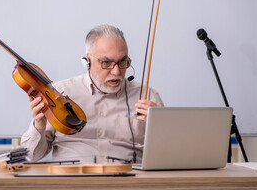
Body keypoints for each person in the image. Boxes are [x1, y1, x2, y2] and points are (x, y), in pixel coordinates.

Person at [21, 24, 163, 163]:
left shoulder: (147, 96)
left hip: (128, 184)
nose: (116, 72)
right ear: (87, 61)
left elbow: (167, 156)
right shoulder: (58, 94)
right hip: (73, 183)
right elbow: (31, 156)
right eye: (106, 62)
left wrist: (163, 128)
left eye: (123, 62)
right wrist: (38, 126)